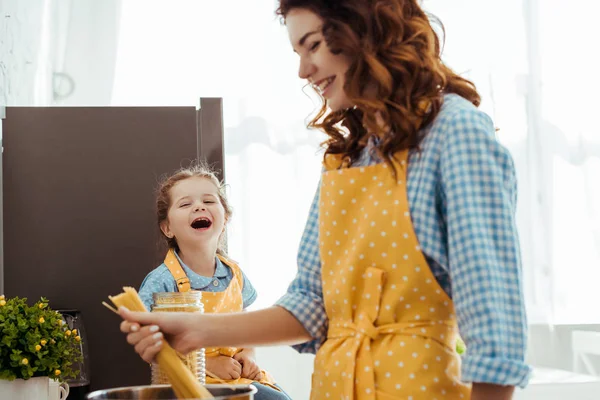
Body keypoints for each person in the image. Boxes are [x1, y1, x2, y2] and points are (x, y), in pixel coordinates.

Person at [119, 1, 532, 398]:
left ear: (369, 31)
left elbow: (494, 322)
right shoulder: (346, 157)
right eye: (298, 51)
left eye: (312, 45)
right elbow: (311, 304)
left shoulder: (456, 133)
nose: (302, 70)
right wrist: (195, 330)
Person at [136, 163, 291, 400]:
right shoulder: (162, 282)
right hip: (187, 388)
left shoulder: (235, 274)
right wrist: (206, 363)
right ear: (167, 228)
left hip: (238, 382)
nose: (199, 206)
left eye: (208, 201)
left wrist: (248, 354)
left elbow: (247, 328)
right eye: (186, 204)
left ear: (225, 218)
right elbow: (151, 349)